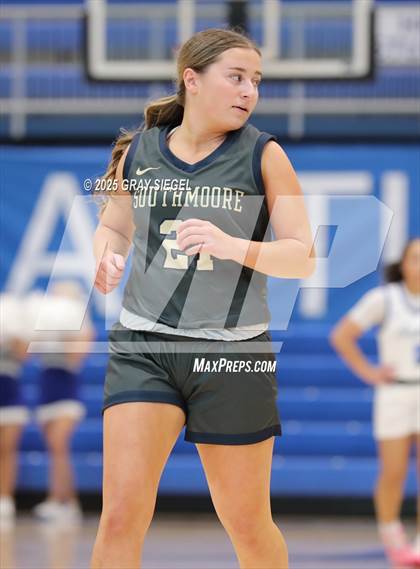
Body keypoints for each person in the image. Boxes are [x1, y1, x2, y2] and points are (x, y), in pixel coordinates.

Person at [90, 28, 315, 569]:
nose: (249, 91)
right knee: (119, 516)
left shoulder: (265, 154)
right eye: (236, 77)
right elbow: (114, 225)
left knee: (247, 523)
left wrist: (232, 245)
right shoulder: (140, 150)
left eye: (255, 80)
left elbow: (302, 256)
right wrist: (106, 256)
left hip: (232, 353)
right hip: (145, 345)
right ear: (191, 80)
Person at [330, 238, 420, 567]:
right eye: (416, 258)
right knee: (393, 472)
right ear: (403, 263)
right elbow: (342, 335)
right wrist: (368, 371)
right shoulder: (385, 298)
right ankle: (392, 535)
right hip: (395, 392)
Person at [28, 282, 94, 525]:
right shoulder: (44, 323)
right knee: (54, 448)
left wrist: (65, 331)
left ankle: (61, 500)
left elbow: (77, 357)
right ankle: (65, 501)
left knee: (59, 445)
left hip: (67, 391)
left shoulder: (82, 327)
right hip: (46, 389)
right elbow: (28, 353)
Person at [0, 293, 30, 530]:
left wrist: (11, 336)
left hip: (9, 390)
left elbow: (25, 353)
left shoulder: (11, 310)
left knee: (7, 448)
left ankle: (5, 500)